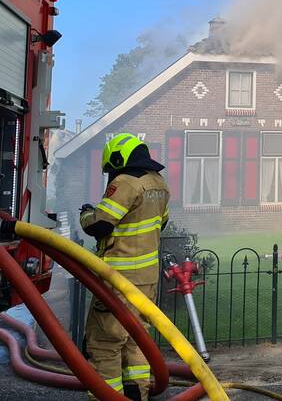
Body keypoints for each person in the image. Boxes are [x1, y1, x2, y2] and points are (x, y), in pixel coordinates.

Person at [80, 133, 170, 400]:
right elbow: (161, 223)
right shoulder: (159, 183)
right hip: (147, 279)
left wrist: (86, 213)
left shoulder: (125, 183)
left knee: (105, 343)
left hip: (118, 280)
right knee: (136, 340)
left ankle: (107, 396)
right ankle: (136, 395)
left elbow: (100, 224)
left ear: (117, 159)